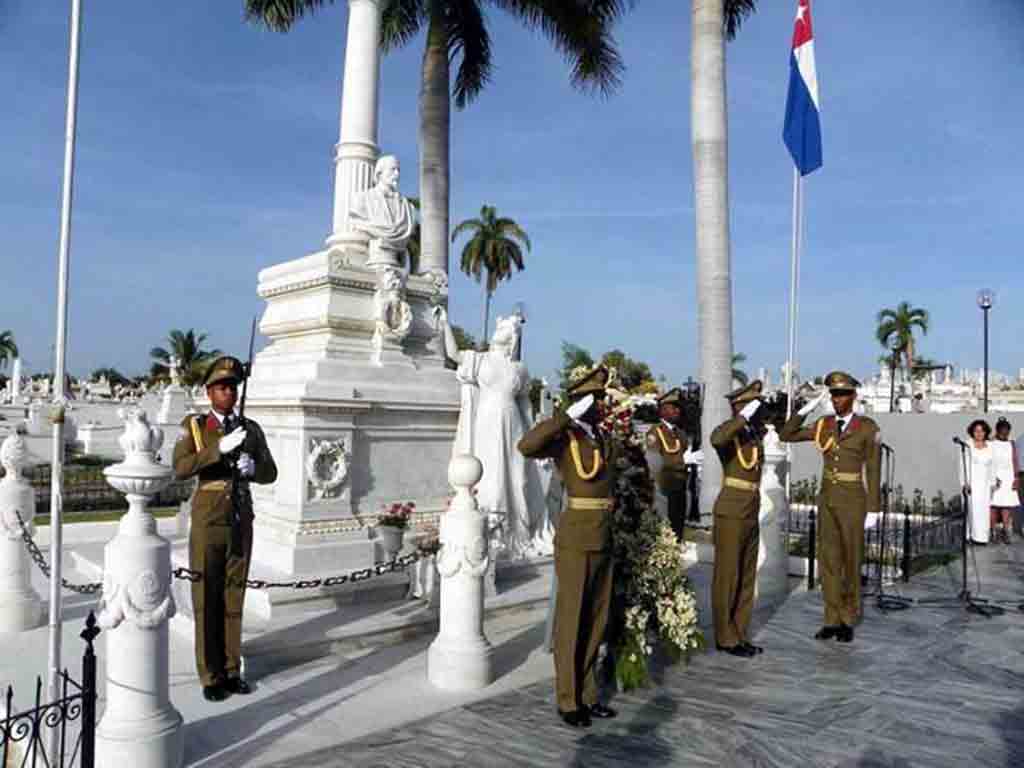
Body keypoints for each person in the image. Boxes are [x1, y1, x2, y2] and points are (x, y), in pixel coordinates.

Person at [173, 356, 278, 702]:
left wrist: (253, 467)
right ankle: (210, 674)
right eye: (221, 387)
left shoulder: (251, 428)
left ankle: (232, 669)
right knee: (207, 598)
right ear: (209, 392)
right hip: (208, 521)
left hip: (240, 517)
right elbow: (181, 468)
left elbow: (271, 472)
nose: (228, 393)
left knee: (234, 596)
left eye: (233, 386)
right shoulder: (195, 426)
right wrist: (218, 449)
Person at [518, 366, 618, 729]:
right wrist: (564, 417)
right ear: (582, 403)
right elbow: (527, 446)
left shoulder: (602, 437)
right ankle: (568, 698)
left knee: (596, 618)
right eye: (597, 399)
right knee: (572, 618)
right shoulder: (566, 436)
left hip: (604, 533)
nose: (603, 404)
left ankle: (589, 694)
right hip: (576, 534)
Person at [435, 306, 544, 559]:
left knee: (518, 477)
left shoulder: (519, 369)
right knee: (491, 477)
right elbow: (452, 354)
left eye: (505, 329)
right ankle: (493, 532)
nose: (500, 330)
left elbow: (526, 403)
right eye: (499, 327)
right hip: (487, 421)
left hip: (513, 422)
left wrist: (534, 432)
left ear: (512, 337)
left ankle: (517, 532)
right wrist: (445, 325)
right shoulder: (479, 359)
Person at [780, 371, 880, 643]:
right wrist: (806, 408)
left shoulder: (867, 427)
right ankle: (831, 619)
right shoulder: (823, 424)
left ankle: (848, 618)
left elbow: (872, 467)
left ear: (853, 396)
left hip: (853, 500)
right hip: (828, 498)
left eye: (842, 394)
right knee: (829, 561)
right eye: (834, 394)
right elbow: (786, 434)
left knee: (851, 560)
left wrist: (873, 507)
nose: (837, 399)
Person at [709, 380, 766, 658]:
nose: (757, 409)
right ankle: (725, 636)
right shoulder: (729, 434)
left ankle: (740, 632)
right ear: (738, 407)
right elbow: (715, 438)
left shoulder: (753, 436)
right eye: (750, 404)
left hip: (750, 509)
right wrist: (741, 417)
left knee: (745, 576)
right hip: (731, 511)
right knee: (727, 576)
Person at [644, 388, 689, 541]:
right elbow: (654, 463)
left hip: (680, 486)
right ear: (662, 410)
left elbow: (682, 451)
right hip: (664, 488)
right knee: (665, 531)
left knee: (678, 528)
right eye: (673, 407)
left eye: (678, 407)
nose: (677, 410)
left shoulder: (680, 433)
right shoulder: (655, 432)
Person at [960, 419, 994, 546]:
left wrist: (992, 482)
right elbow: (962, 466)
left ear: (986, 432)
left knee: (983, 511)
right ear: (972, 432)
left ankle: (981, 537)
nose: (979, 433)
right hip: (972, 483)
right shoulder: (967, 445)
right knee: (971, 510)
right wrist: (965, 483)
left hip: (985, 484)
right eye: (976, 431)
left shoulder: (991, 446)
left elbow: (993, 465)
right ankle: (969, 536)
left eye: (981, 431)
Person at [990, 418, 1018, 544]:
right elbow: (989, 461)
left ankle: (1007, 531)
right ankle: (993, 532)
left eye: (1007, 431)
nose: (1004, 433)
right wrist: (992, 477)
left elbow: (1015, 461)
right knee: (994, 505)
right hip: (995, 477)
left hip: (1008, 477)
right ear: (997, 430)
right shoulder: (991, 443)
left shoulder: (1011, 444)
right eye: (1002, 430)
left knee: (1007, 506)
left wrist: (1016, 478)